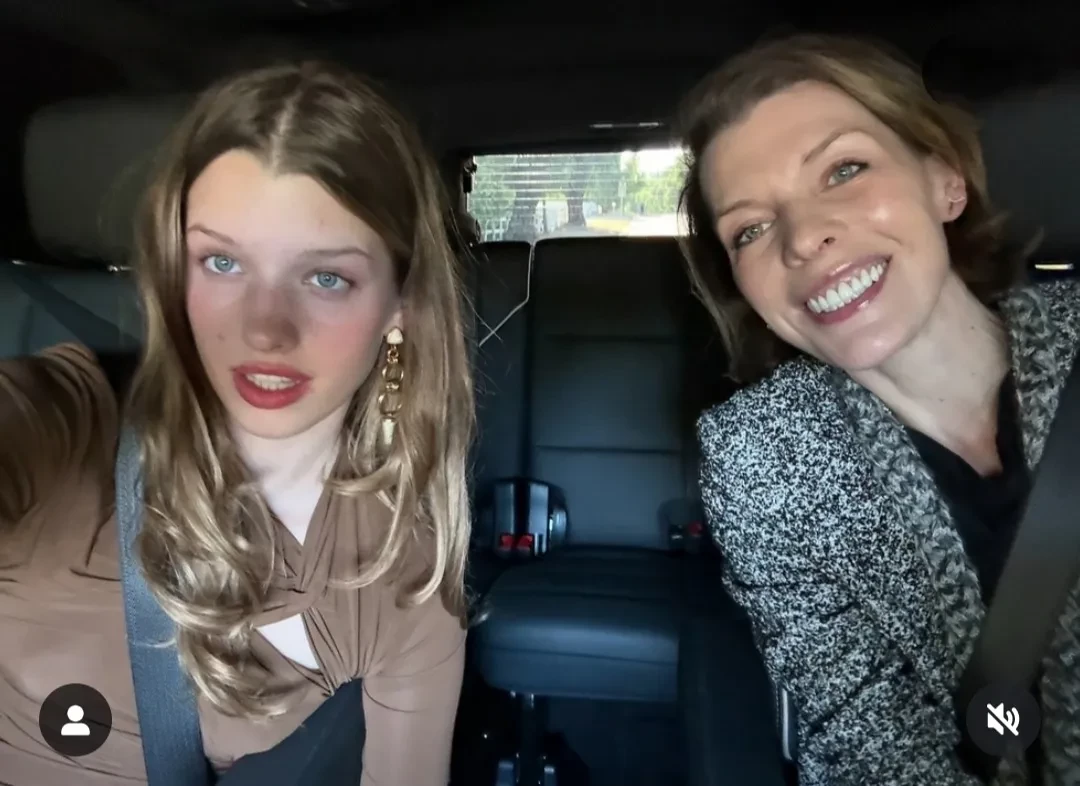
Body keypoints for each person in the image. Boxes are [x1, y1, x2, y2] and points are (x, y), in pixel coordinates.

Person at [0, 60, 474, 785]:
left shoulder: (401, 572)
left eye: (326, 277)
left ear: (399, 308)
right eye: (222, 262)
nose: (265, 329)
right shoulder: (70, 420)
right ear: (173, 270)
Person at [678, 33, 1080, 785]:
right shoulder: (761, 462)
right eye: (751, 229)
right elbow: (873, 749)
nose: (804, 239)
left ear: (946, 182)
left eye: (844, 170)